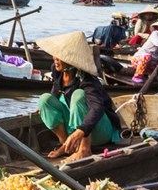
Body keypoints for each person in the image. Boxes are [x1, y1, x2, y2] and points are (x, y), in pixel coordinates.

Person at [34, 30, 122, 160]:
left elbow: (97, 108)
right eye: (55, 56)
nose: (55, 60)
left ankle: (84, 149)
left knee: (78, 95)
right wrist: (45, 108)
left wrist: (80, 131)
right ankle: (66, 145)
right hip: (76, 127)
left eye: (59, 57)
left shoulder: (87, 79)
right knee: (44, 99)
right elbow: (55, 92)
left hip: (99, 130)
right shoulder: (57, 70)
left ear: (70, 60)